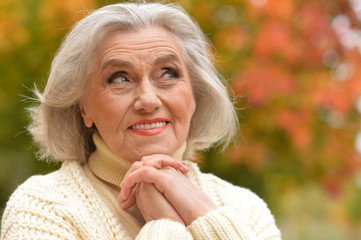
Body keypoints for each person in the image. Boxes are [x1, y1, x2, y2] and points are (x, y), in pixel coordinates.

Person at [1, 2, 281, 239]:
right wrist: (166, 225)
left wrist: (202, 215)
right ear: (83, 107)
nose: (148, 100)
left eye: (168, 74)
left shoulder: (246, 209)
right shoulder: (41, 208)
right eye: (120, 78)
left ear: (195, 94)